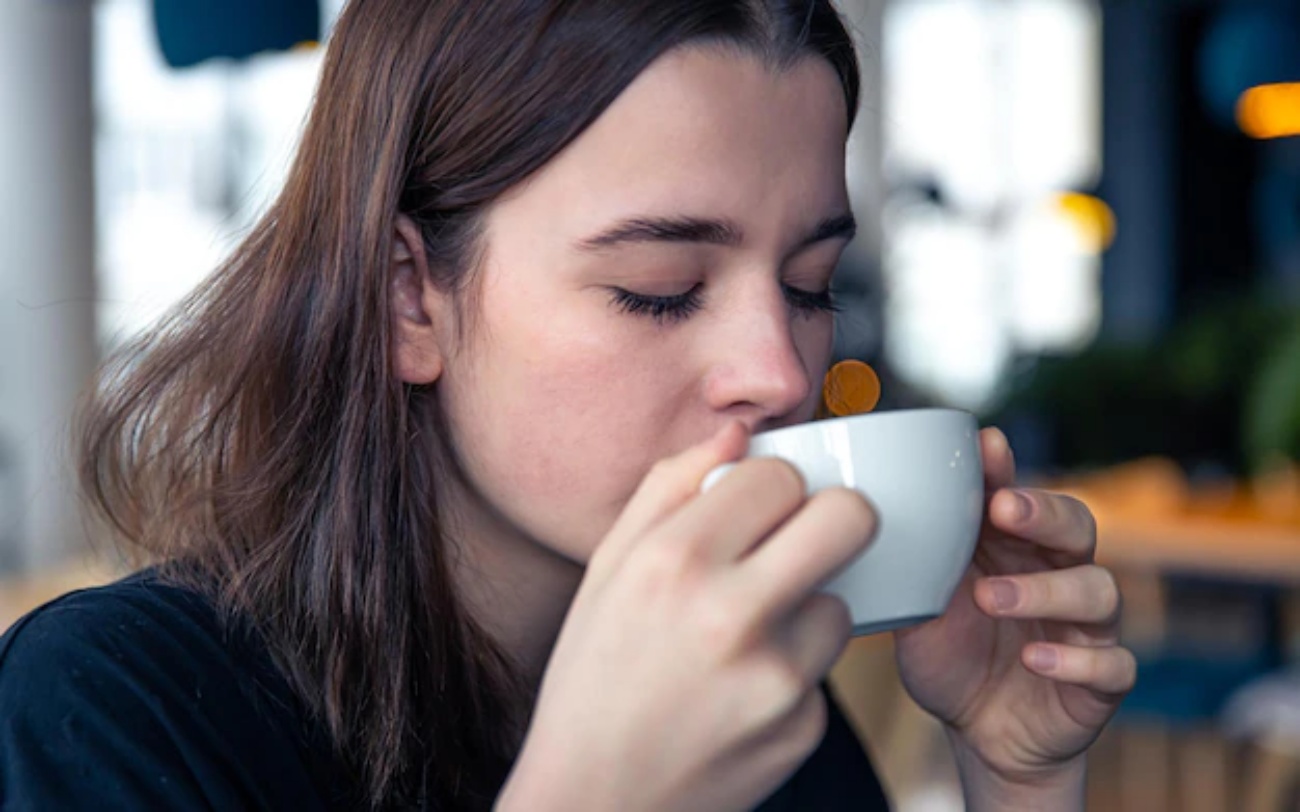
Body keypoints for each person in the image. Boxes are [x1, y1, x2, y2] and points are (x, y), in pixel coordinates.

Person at [0, 1, 1136, 809]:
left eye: (809, 286)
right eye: (660, 290)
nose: (783, 373)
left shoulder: (749, 693)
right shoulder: (115, 708)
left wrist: (1017, 776)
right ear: (408, 299)